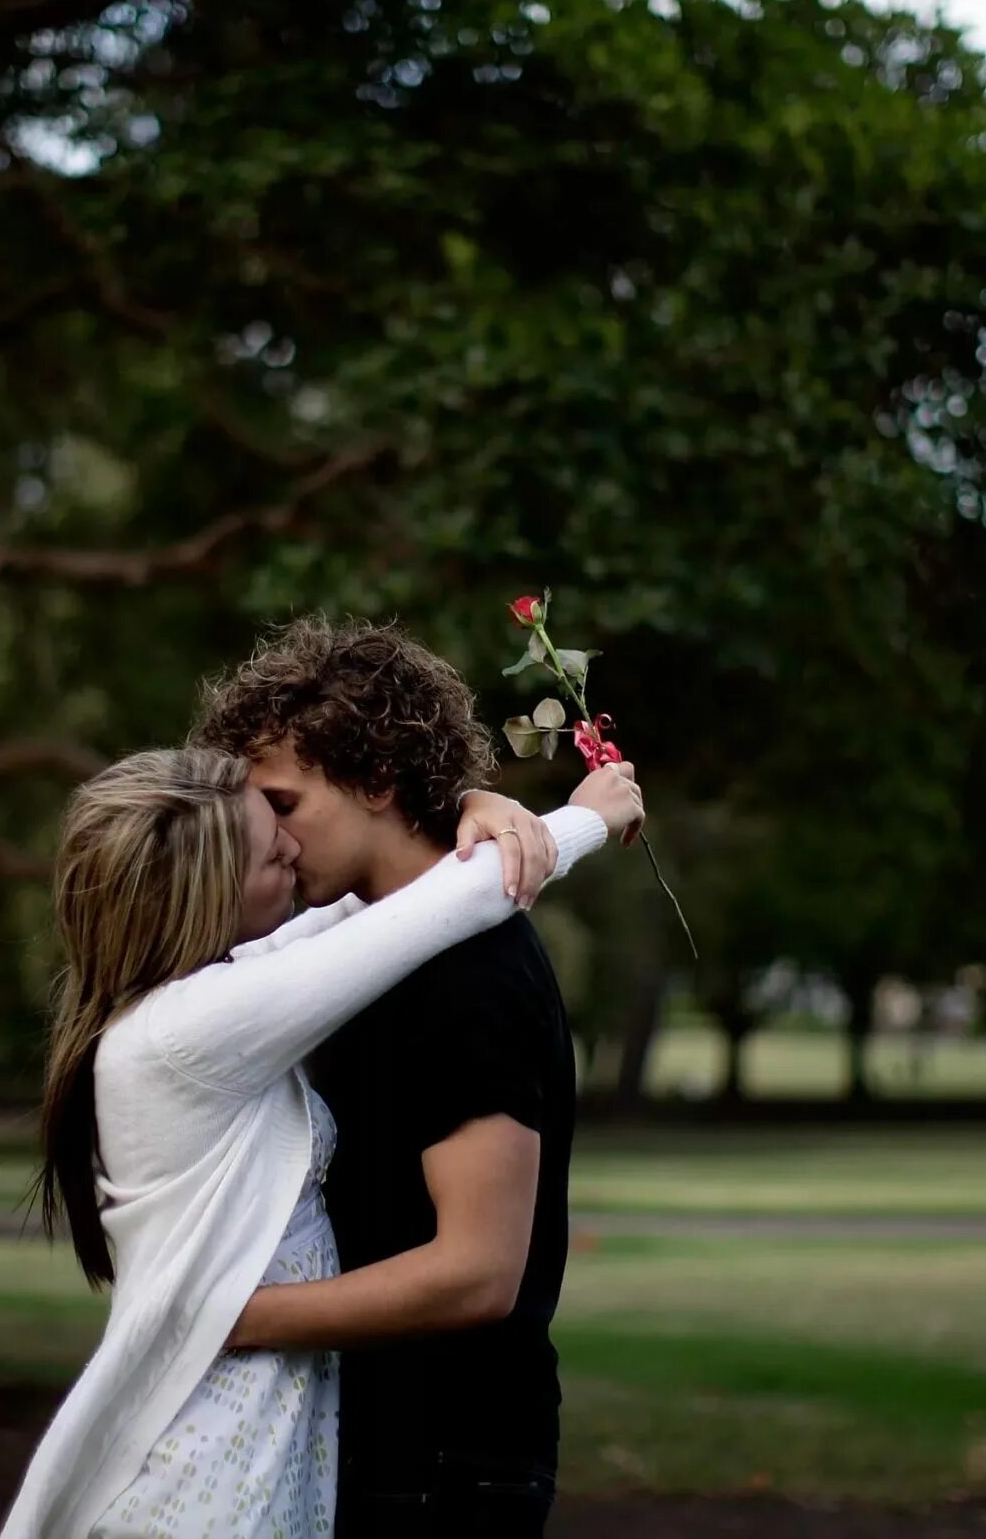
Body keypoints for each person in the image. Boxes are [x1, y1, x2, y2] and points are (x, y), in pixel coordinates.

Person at [0, 739, 644, 1538]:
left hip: (260, 1455)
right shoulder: (192, 1032)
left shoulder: (189, 1006)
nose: (294, 851)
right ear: (206, 894)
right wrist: (585, 817)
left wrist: (468, 811)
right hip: (212, 1481)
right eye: (274, 850)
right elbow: (428, 912)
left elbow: (388, 901)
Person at [194, 618, 625, 1536]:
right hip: (381, 1443)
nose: (269, 836)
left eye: (284, 802)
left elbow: (477, 1271)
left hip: (447, 1460)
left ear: (379, 781)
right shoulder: (366, 942)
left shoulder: (473, 972)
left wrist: (233, 1319)